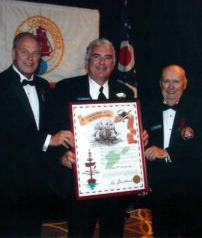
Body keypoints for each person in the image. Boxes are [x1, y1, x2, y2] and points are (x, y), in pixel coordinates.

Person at [48, 38, 148, 237]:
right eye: (96, 56)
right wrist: (62, 156)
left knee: (113, 232)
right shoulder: (65, 89)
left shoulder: (125, 92)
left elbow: (128, 131)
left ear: (113, 63)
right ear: (87, 60)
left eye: (107, 58)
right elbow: (51, 132)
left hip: (115, 184)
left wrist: (138, 138)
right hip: (81, 183)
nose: (102, 62)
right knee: (79, 233)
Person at [0, 32, 74, 237]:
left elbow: (50, 126)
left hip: (37, 179)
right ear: (14, 53)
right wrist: (49, 139)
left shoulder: (43, 86)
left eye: (35, 53)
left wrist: (61, 153)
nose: (30, 58)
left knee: (32, 230)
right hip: (8, 180)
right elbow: (5, 128)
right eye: (25, 52)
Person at [143, 64, 202, 237]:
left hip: (194, 190)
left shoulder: (201, 109)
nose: (171, 87)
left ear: (185, 83)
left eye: (176, 82)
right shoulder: (147, 111)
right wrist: (143, 179)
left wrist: (168, 153)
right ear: (160, 83)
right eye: (166, 81)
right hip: (162, 192)